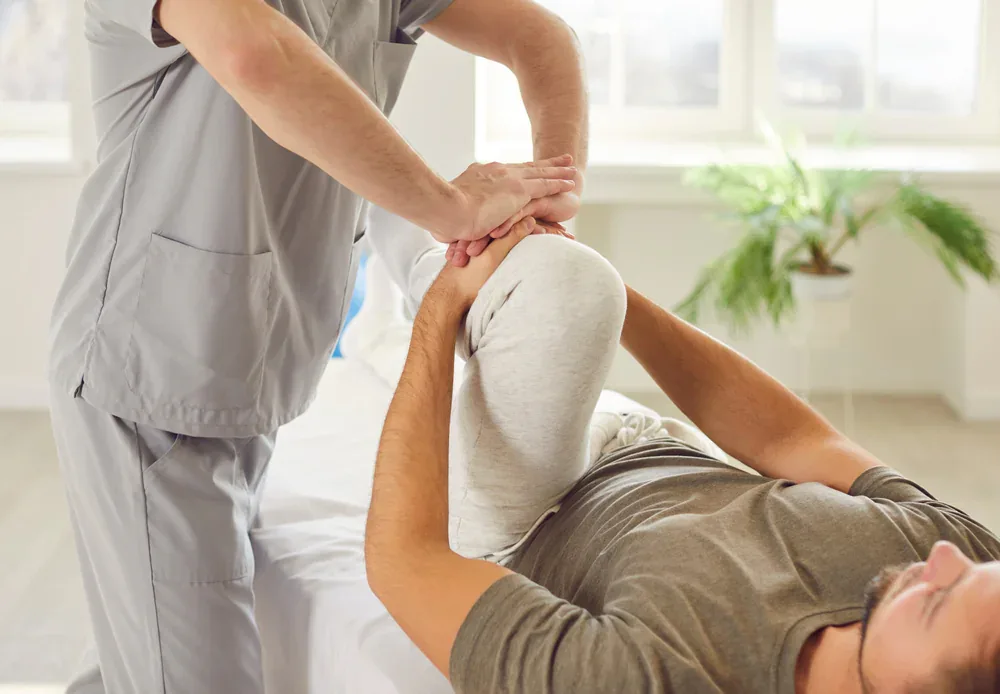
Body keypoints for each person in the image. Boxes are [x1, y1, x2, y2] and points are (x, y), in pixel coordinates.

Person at [47, 0, 588, 690]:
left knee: (150, 643)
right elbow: (255, 54)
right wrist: (451, 208)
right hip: (149, 368)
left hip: (256, 368)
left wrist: (552, 190)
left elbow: (538, 35)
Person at [363, 220, 1000, 694]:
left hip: (535, 518)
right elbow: (797, 441)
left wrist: (442, 305)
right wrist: (623, 299)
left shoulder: (655, 679)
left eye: (941, 601)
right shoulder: (965, 552)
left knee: (564, 286)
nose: (945, 560)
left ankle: (391, 225)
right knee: (575, 279)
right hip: (655, 441)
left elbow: (404, 561)